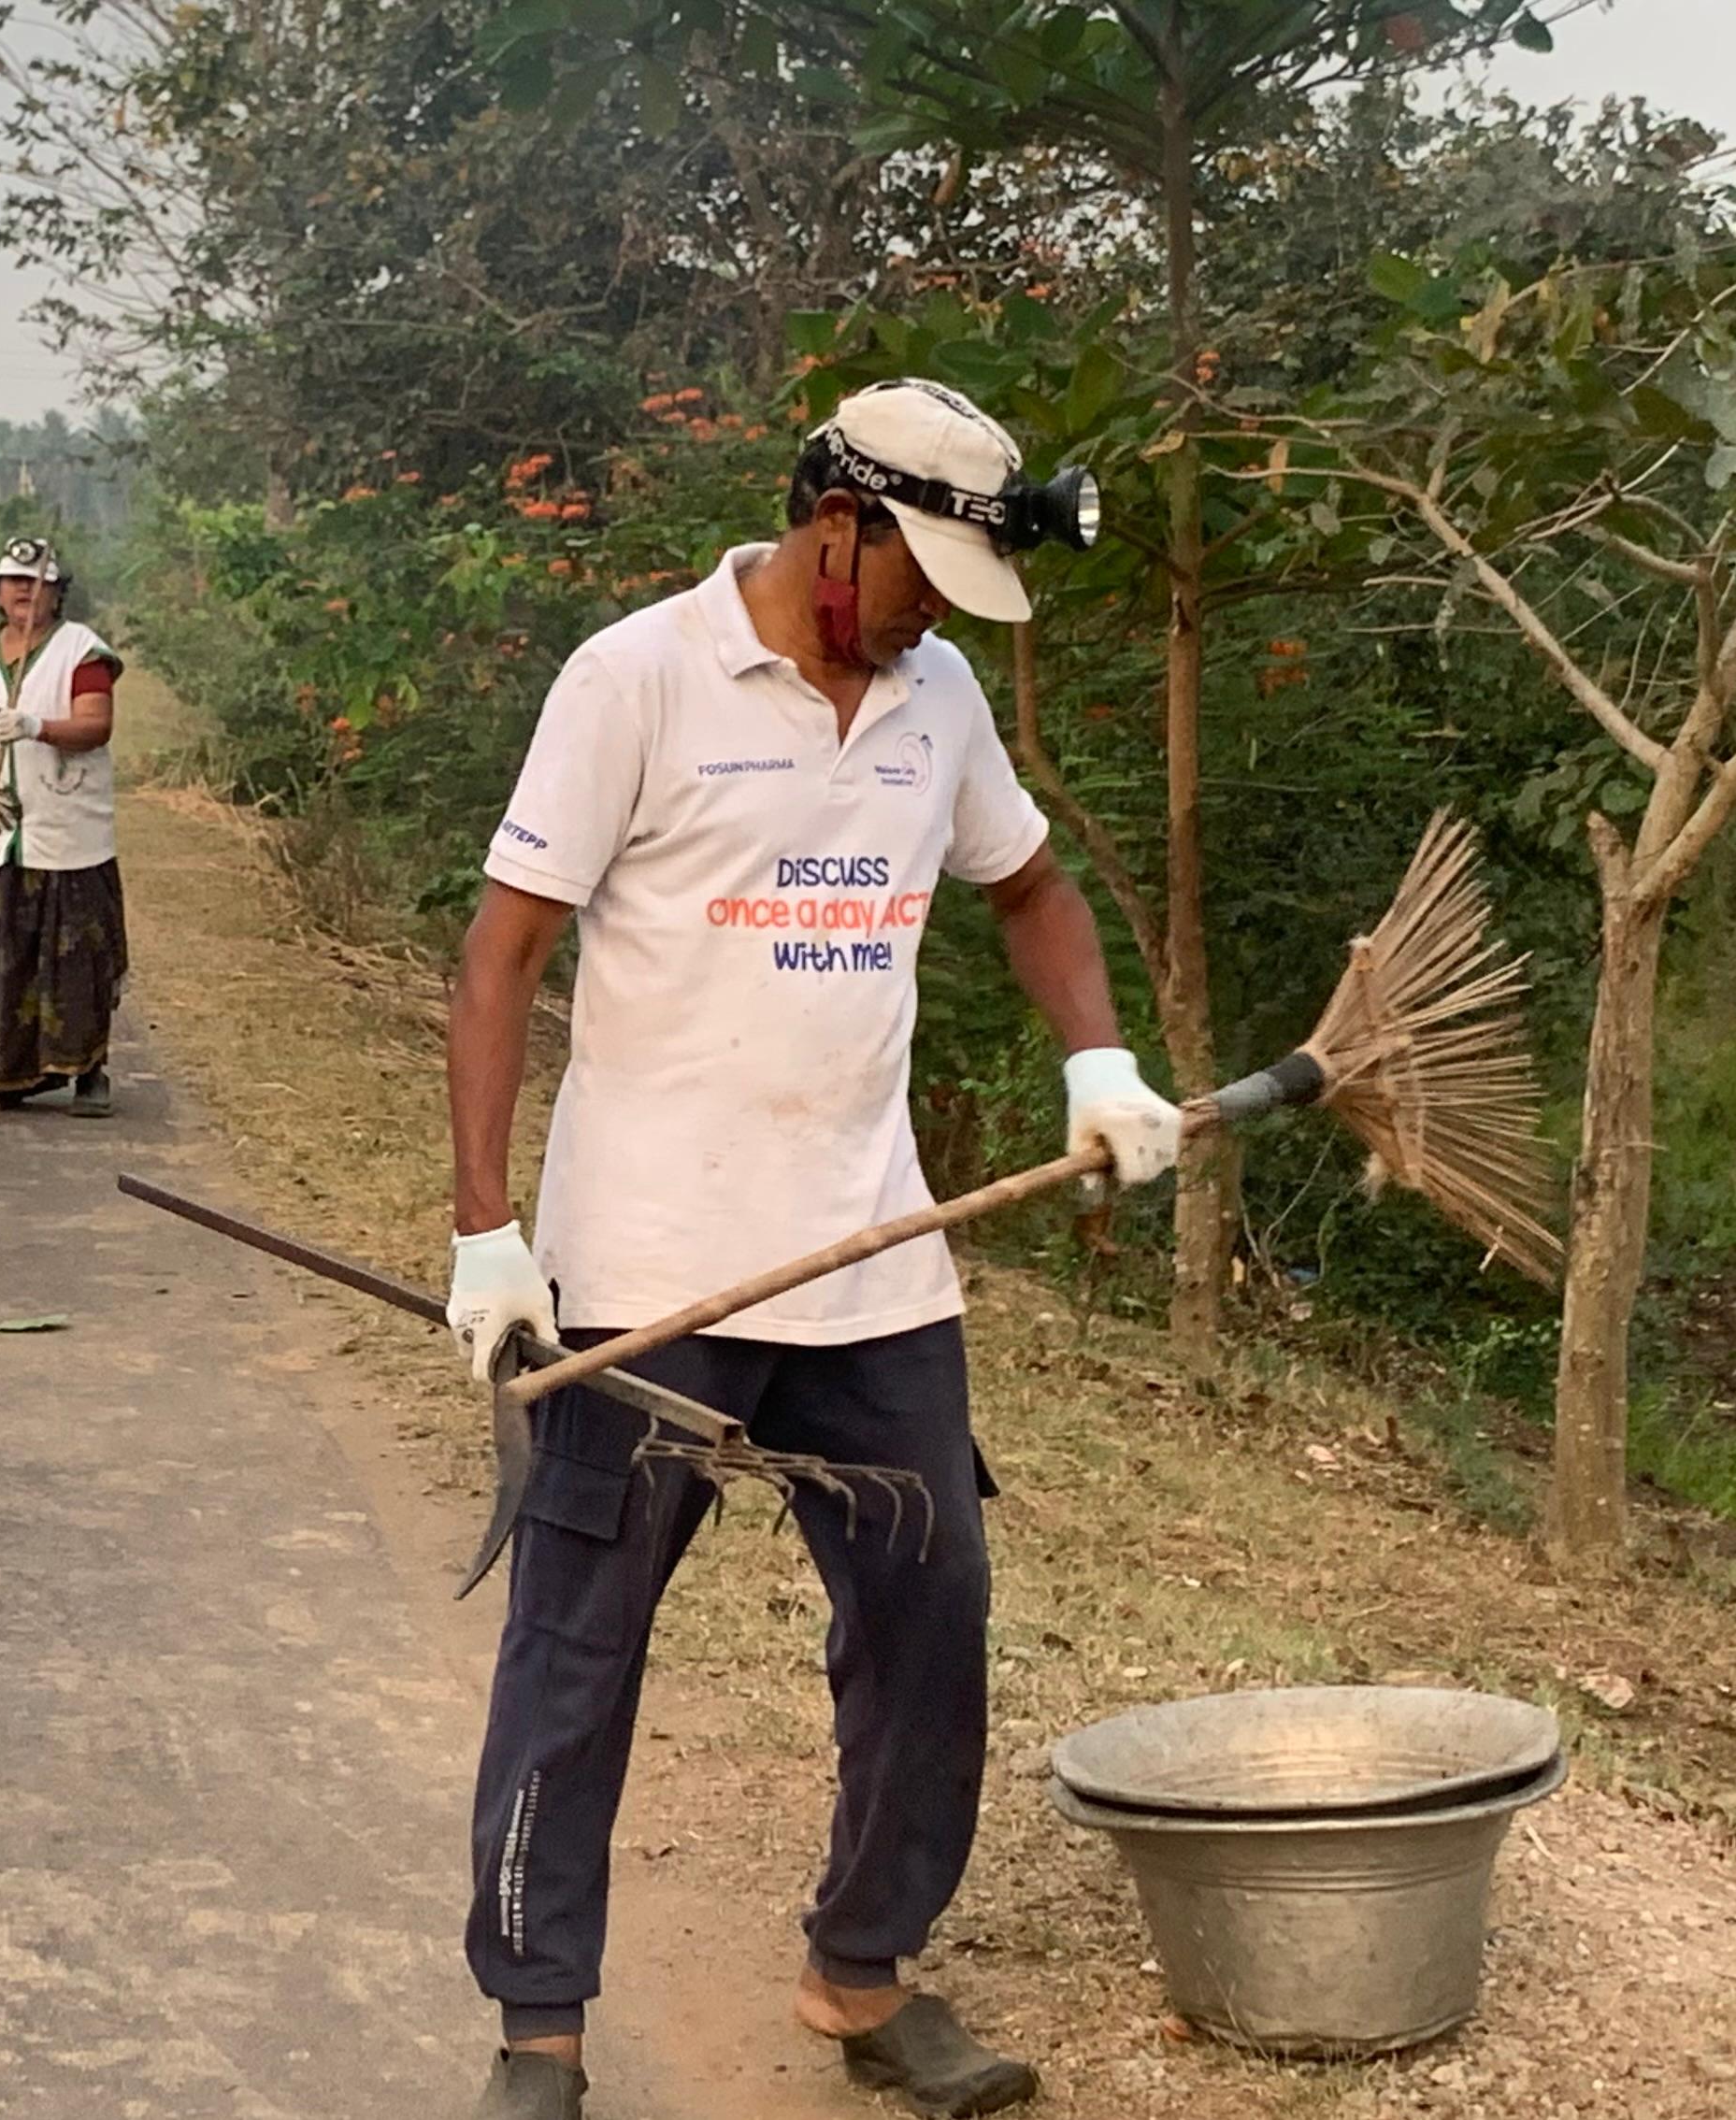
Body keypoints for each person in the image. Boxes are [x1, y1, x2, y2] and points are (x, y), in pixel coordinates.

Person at [438, 380, 1184, 2120]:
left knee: (931, 1611)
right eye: (920, 578)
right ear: (834, 527)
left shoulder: (937, 700)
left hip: (870, 1258)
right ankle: (539, 2031)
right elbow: (500, 952)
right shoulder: (635, 678)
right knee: (577, 1647)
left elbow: (1030, 887)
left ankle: (863, 1969)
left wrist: (1098, 1059)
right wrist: (487, 1229)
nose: (933, 619)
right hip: (648, 1271)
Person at [0, 536, 126, 1117]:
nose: (25, 591)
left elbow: (96, 725)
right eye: (13, 582)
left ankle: (87, 1071)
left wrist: (38, 726)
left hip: (69, 831)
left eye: (37, 583)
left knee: (77, 957)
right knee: (4, 960)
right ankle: (7, 1073)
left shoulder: (82, 653)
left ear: (57, 594)